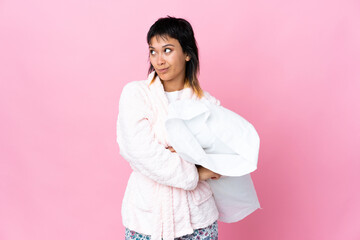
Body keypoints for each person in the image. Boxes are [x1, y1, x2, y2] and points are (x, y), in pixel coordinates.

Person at [116, 16, 222, 240]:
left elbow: (221, 158)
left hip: (198, 221)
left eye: (167, 50)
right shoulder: (136, 94)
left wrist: (171, 152)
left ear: (186, 53)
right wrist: (195, 171)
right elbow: (137, 151)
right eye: (153, 51)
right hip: (147, 221)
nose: (159, 60)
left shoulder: (208, 105)